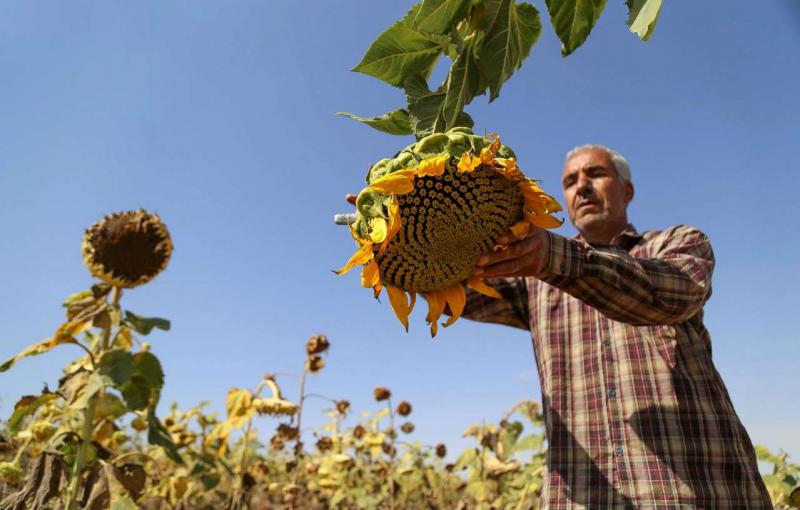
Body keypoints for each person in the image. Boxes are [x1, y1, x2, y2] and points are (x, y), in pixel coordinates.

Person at [467, 145, 772, 509]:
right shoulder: (535, 281)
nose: (581, 187)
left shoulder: (676, 244)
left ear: (627, 190)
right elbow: (459, 286)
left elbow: (675, 292)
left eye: (595, 174)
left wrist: (554, 258)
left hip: (700, 489)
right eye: (569, 181)